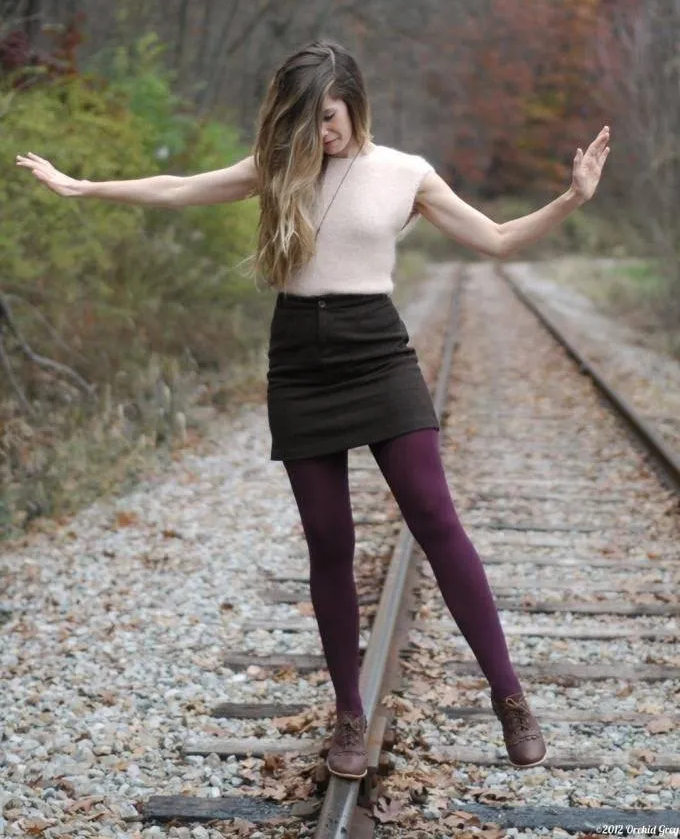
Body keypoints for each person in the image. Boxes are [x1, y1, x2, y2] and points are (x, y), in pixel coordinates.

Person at [15, 39, 610, 782]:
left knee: (435, 514)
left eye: (326, 117)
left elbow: (493, 239)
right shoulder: (282, 165)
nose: (318, 134)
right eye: (306, 120)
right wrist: (83, 188)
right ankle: (348, 716)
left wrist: (572, 199)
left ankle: (511, 696)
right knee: (329, 541)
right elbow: (177, 186)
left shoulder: (405, 173)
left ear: (353, 102)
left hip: (378, 353)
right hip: (299, 359)